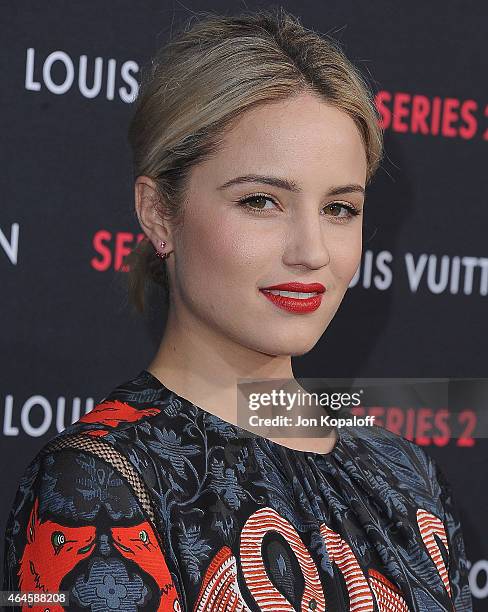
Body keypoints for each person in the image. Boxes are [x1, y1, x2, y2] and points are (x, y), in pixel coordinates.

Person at [3, 8, 472, 611]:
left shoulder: (401, 472)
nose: (311, 253)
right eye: (261, 200)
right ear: (158, 213)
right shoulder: (99, 484)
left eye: (340, 209)